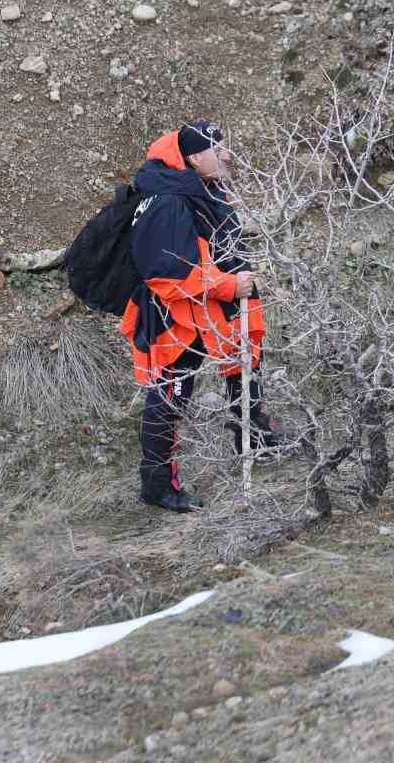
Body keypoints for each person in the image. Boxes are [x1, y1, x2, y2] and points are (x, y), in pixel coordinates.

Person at [121, 120, 282, 512]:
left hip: (207, 307)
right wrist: (230, 287)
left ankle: (254, 438)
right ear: (193, 157)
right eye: (217, 148)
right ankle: (158, 486)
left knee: (242, 360)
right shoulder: (167, 200)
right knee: (170, 397)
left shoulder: (196, 189)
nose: (226, 154)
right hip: (173, 317)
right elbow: (165, 272)